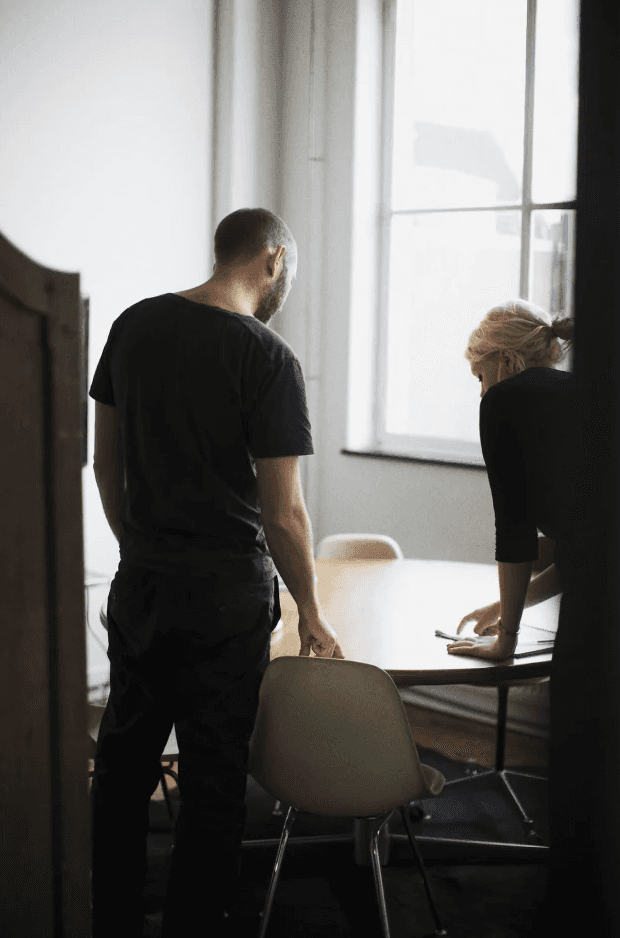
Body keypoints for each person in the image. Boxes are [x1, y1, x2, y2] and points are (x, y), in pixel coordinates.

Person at [89, 207, 345, 938]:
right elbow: (284, 513)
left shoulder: (133, 326)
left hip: (142, 582)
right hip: (228, 598)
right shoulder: (267, 356)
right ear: (270, 260)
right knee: (213, 779)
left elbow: (107, 464)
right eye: (284, 274)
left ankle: (110, 915)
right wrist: (313, 609)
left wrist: (137, 543)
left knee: (124, 765)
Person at [446, 299, 575, 661]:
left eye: (480, 376)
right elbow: (581, 554)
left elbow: (514, 531)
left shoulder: (505, 401)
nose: (483, 391)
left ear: (504, 360)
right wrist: (502, 606)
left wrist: (507, 639)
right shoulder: (579, 390)